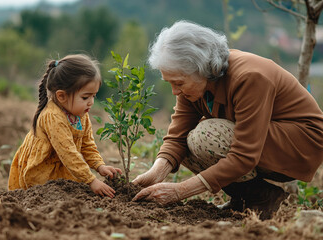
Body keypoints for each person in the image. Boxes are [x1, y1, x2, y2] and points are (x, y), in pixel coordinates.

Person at [132, 20, 323, 220]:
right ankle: (256, 197)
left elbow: (244, 155)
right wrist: (156, 172)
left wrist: (180, 191)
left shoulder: (250, 77)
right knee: (186, 145)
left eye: (178, 83)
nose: (174, 91)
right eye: (170, 82)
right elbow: (176, 137)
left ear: (201, 69)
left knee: (207, 135)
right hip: (261, 143)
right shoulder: (193, 85)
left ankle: (259, 199)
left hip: (301, 143)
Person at [8, 54, 122, 198]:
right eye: (85, 97)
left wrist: (99, 166)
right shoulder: (53, 117)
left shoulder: (81, 115)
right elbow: (68, 153)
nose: (91, 102)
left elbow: (87, 145)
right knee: (46, 200)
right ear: (62, 96)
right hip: (43, 174)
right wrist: (91, 180)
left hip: (62, 171)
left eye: (94, 96)